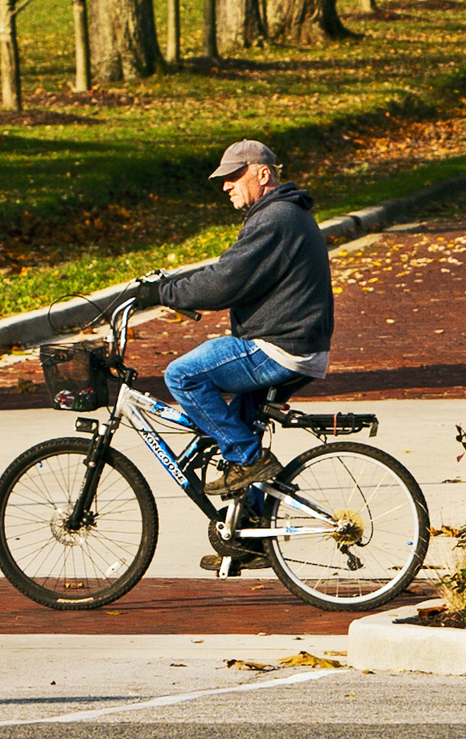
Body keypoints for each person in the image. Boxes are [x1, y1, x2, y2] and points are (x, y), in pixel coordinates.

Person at [137, 139, 332, 496]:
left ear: (263, 173)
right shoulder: (285, 214)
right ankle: (250, 542)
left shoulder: (276, 219)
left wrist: (162, 292)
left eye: (233, 176)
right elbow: (235, 277)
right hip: (298, 344)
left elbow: (225, 281)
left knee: (182, 376)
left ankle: (247, 457)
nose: (225, 185)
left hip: (279, 346)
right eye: (223, 178)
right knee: (240, 429)